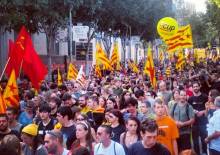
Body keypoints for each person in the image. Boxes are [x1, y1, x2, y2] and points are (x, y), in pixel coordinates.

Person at [188, 81, 208, 155]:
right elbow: (189, 110)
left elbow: (209, 108)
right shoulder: (190, 99)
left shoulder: (205, 96)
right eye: (194, 87)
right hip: (194, 123)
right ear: (192, 88)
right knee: (195, 142)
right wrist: (193, 111)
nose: (195, 88)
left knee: (204, 140)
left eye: (197, 86)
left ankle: (205, 153)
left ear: (199, 86)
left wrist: (202, 112)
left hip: (203, 122)